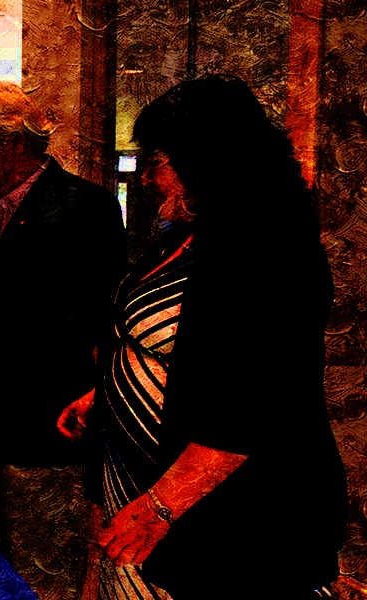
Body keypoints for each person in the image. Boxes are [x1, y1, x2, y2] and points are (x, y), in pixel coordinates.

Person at [57, 75, 347, 599]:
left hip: (234, 520)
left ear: (207, 160)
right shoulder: (188, 235)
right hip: (147, 483)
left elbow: (251, 404)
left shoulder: (271, 247)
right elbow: (154, 342)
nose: (146, 179)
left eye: (157, 162)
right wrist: (104, 394)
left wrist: (159, 508)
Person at [0, 81, 126, 592]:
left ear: (14, 141)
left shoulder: (87, 207)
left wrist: (1, 338)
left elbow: (96, 316)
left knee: (42, 567)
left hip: (40, 422)